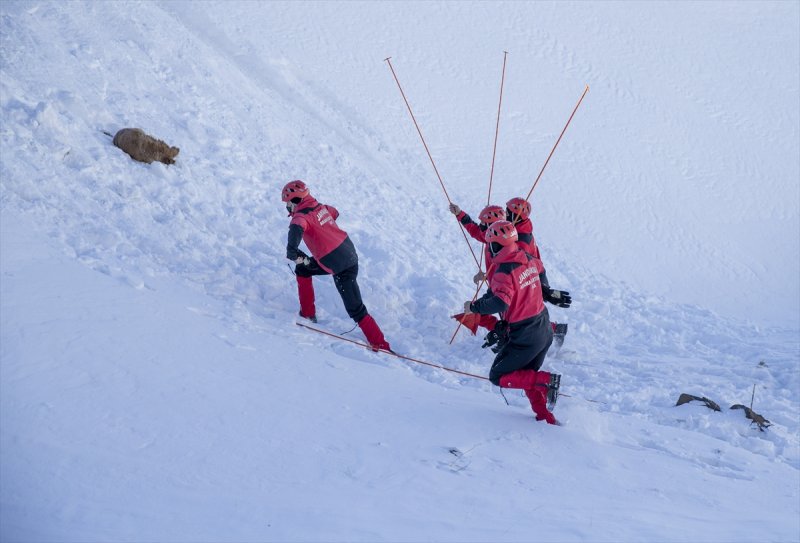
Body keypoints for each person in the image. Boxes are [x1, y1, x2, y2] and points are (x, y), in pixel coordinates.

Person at [462, 220, 565, 425]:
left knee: (497, 375)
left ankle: (547, 380)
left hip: (525, 334)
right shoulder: (526, 257)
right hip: (544, 328)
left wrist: (474, 307)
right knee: (526, 375)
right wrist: (545, 290)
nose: (489, 248)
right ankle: (546, 418)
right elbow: (538, 271)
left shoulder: (504, 271)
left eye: (490, 244)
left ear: (497, 245)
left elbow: (500, 301)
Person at [282, 180, 391, 351]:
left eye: (287, 203)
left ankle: (381, 344)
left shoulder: (300, 217)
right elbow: (334, 212)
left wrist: (294, 251)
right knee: (303, 269)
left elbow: (296, 233)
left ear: (294, 201)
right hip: (346, 253)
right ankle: (307, 314)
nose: (287, 208)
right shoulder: (320, 207)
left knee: (356, 309)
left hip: (341, 265)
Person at [449, 201, 569, 345]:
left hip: (516, 285)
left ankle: (542, 333)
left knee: (515, 316)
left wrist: (544, 288)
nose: (481, 228)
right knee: (505, 314)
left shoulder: (517, 243)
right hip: (501, 283)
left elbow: (524, 266)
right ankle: (544, 332)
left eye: (484, 224)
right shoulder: (496, 238)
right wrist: (460, 214)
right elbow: (477, 232)